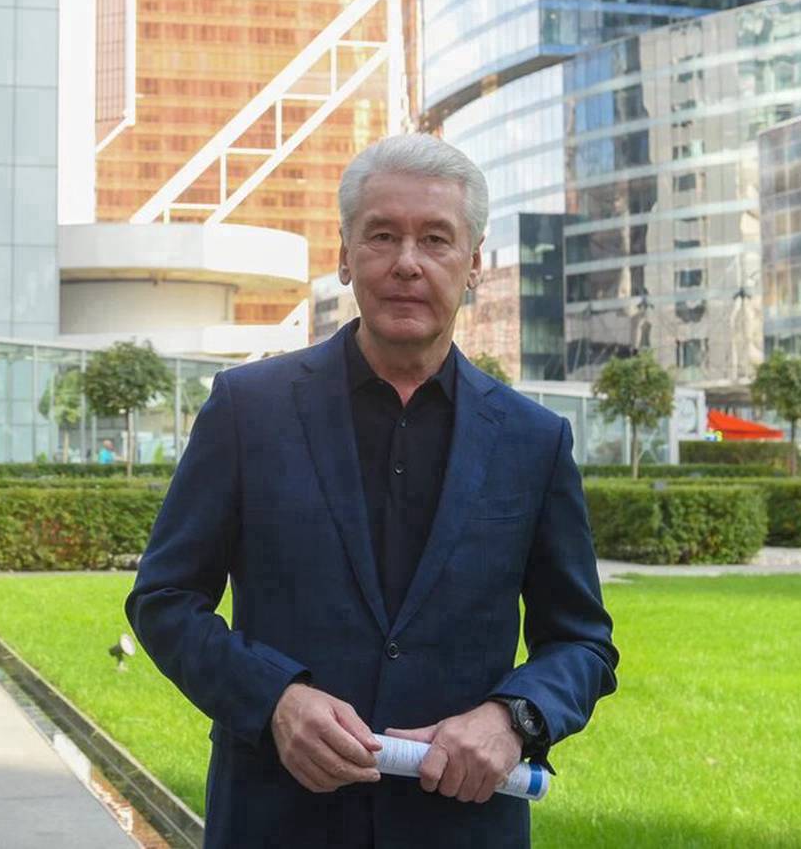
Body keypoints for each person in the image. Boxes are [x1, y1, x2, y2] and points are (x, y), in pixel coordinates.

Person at [126, 134, 618, 848]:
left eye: (436, 239)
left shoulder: (534, 439)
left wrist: (513, 718)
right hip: (277, 820)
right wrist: (274, 700)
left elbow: (581, 642)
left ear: (474, 264)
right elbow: (164, 597)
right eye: (382, 235)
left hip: (459, 826)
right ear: (344, 255)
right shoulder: (247, 409)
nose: (407, 262)